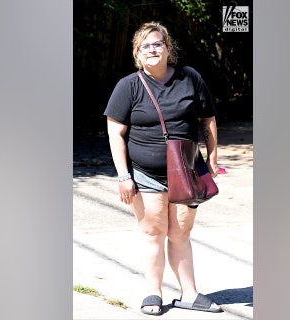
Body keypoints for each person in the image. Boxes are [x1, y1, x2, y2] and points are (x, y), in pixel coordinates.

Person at [103, 21, 222, 315]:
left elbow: (207, 119)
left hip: (187, 170)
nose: (152, 49)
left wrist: (213, 158)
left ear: (168, 48)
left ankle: (190, 294)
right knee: (153, 233)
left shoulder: (189, 78)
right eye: (145, 46)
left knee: (181, 233)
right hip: (146, 173)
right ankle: (153, 293)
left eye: (157, 44)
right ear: (137, 54)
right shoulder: (128, 86)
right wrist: (123, 176)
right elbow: (115, 133)